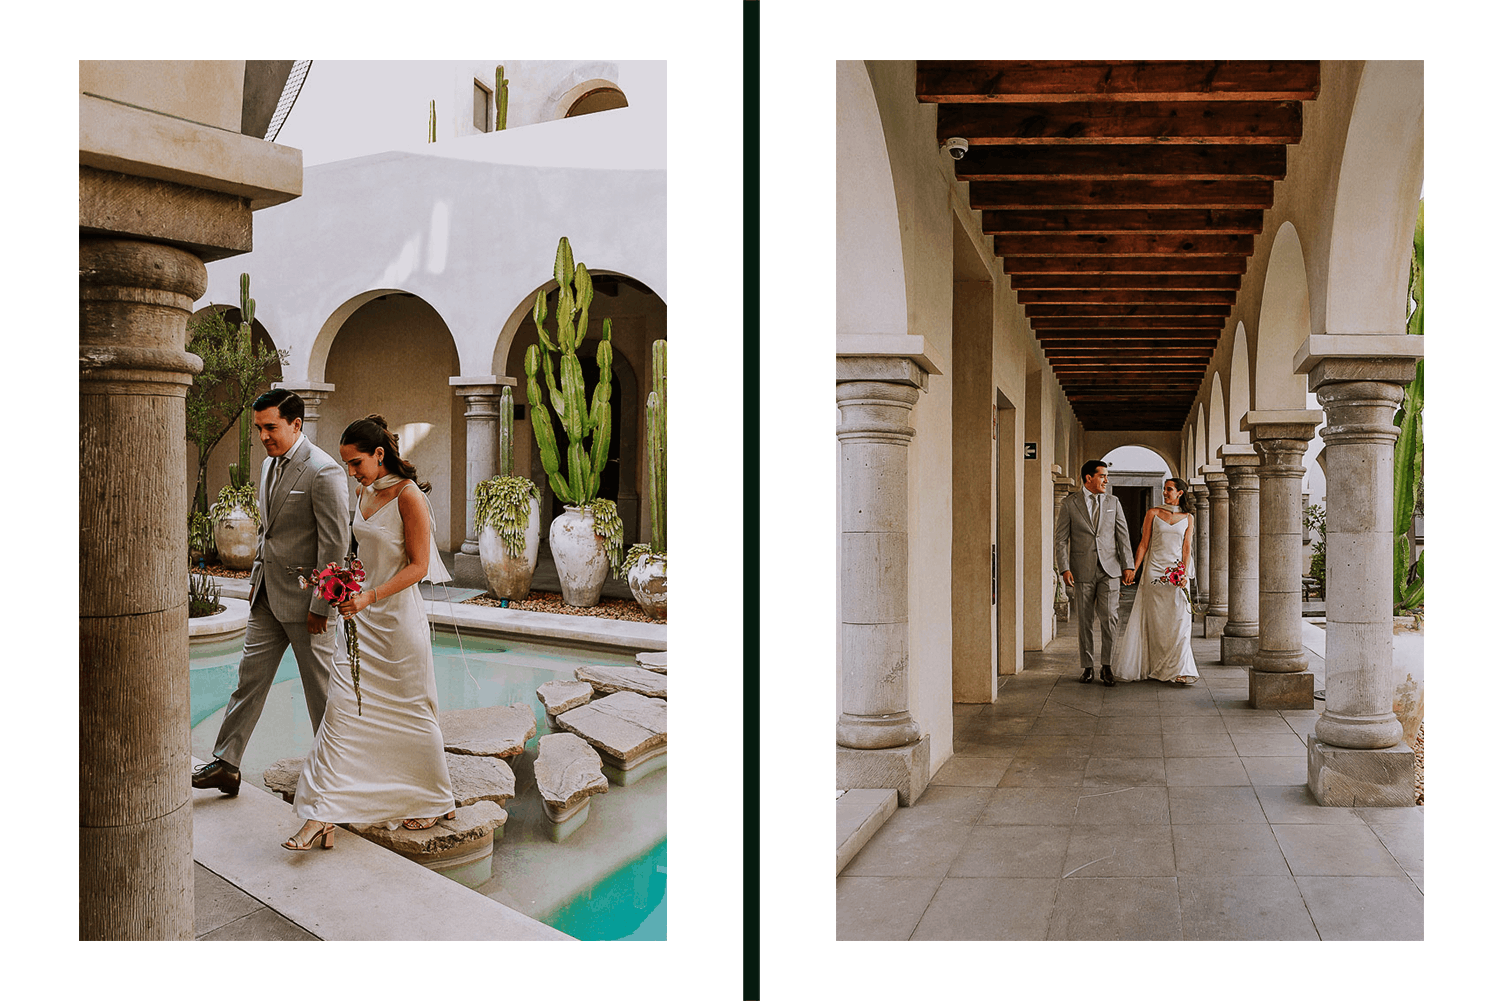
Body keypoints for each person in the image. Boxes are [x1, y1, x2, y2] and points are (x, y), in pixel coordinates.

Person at [281, 414, 457, 851]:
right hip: (358, 618)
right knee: (340, 712)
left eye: (356, 463)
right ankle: (320, 814)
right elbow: (363, 554)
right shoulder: (364, 492)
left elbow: (418, 567)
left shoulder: (409, 496)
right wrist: (341, 582)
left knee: (413, 714)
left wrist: (369, 595)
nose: (351, 472)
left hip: (396, 623)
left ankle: (436, 798)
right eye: (346, 464)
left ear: (380, 454)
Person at [193, 390, 350, 797]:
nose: (263, 436)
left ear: (296, 424)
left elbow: (334, 545)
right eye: (259, 428)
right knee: (248, 681)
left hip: (308, 606)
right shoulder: (267, 465)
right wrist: (255, 580)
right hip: (266, 597)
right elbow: (269, 531)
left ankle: (338, 774)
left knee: (321, 693)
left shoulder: (323, 471)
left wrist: (321, 604)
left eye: (271, 427)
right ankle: (226, 763)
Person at [1112, 477, 1200, 685]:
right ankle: (1154, 665)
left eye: (1169, 489)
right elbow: (1144, 544)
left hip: (1177, 574)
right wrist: (1134, 569)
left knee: (1180, 620)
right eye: (1164, 489)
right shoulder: (1153, 513)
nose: (1165, 493)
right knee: (1155, 621)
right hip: (1154, 572)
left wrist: (1183, 573)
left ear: (1180, 493)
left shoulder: (1188, 518)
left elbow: (1186, 548)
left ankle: (1179, 668)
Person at [1055, 460, 1134, 686]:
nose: (1106, 480)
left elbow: (1123, 536)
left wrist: (1128, 565)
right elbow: (1061, 539)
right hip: (1081, 569)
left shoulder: (1113, 502)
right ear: (1089, 478)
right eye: (1102, 476)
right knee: (1085, 620)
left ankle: (1107, 666)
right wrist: (1064, 568)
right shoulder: (1070, 504)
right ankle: (1088, 667)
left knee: (1110, 618)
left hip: (1110, 569)